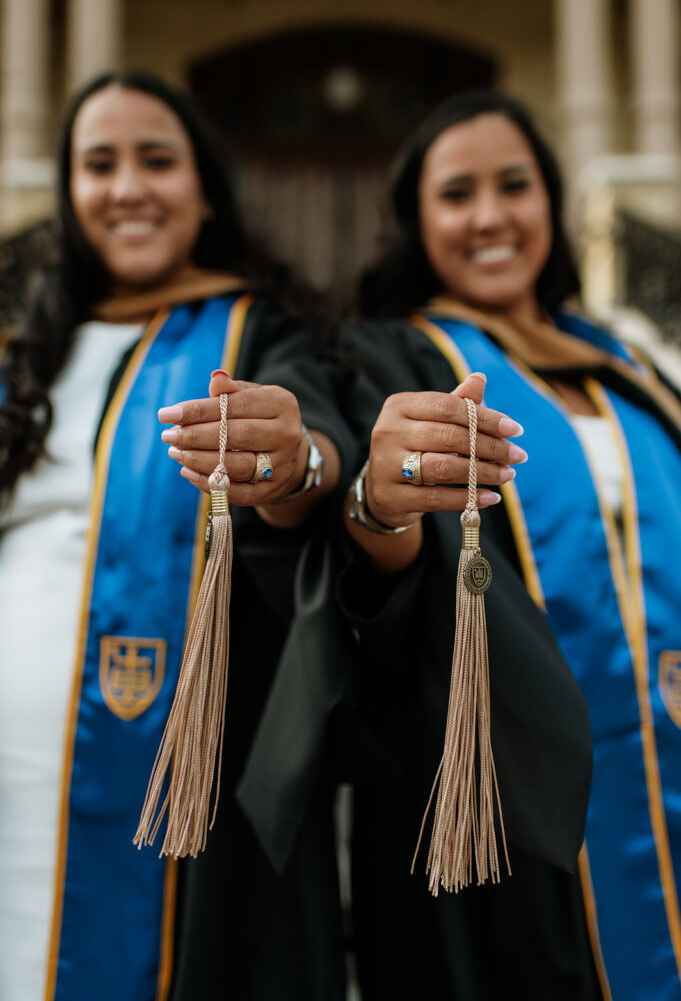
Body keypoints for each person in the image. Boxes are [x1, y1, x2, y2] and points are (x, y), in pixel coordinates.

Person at [0, 71, 354, 1001]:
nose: (127, 188)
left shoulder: (264, 331)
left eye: (157, 160)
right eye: (98, 164)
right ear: (69, 195)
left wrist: (293, 461)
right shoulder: (30, 349)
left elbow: (317, 456)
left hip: (188, 781)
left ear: (204, 191)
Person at [337, 88, 681, 999]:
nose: (490, 215)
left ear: (550, 204)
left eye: (514, 185)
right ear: (416, 222)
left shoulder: (623, 361)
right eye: (456, 194)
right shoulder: (386, 361)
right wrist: (378, 503)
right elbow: (368, 566)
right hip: (501, 799)